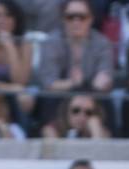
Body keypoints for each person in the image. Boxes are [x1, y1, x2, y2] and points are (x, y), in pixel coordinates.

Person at [36, 0, 114, 129]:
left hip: (92, 94)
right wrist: (73, 83)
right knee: (48, 98)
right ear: (63, 19)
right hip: (61, 95)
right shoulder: (51, 42)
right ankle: (49, 136)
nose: (76, 21)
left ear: (91, 19)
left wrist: (86, 87)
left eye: (82, 17)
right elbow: (48, 83)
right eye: (70, 17)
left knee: (106, 100)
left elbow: (104, 79)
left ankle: (109, 140)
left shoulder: (102, 43)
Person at [40, 92, 110, 138]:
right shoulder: (51, 129)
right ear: (66, 111)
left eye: (88, 112)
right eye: (76, 110)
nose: (82, 116)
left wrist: (96, 130)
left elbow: (100, 154)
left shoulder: (102, 132)